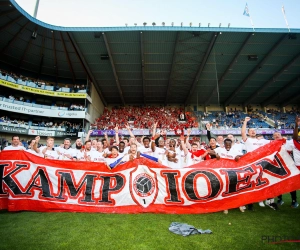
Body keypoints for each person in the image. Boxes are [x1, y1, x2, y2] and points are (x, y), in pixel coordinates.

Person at [241, 117, 270, 209]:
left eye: (254, 130)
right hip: (251, 164)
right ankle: (249, 202)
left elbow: (275, 143)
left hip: (262, 164)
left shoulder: (263, 141)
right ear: (248, 133)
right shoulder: (248, 140)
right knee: (250, 183)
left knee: (261, 182)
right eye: (251, 130)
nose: (253, 131)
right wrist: (245, 122)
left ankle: (261, 200)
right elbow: (242, 133)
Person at [211, 138, 245, 214]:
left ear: (231, 144)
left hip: (232, 173)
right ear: (224, 144)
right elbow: (210, 152)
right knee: (224, 190)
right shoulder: (220, 149)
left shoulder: (235, 151)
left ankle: (239, 205)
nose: (228, 146)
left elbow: (243, 156)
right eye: (227, 144)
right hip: (222, 173)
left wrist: (238, 158)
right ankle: (225, 207)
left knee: (235, 189)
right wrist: (216, 155)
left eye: (229, 144)